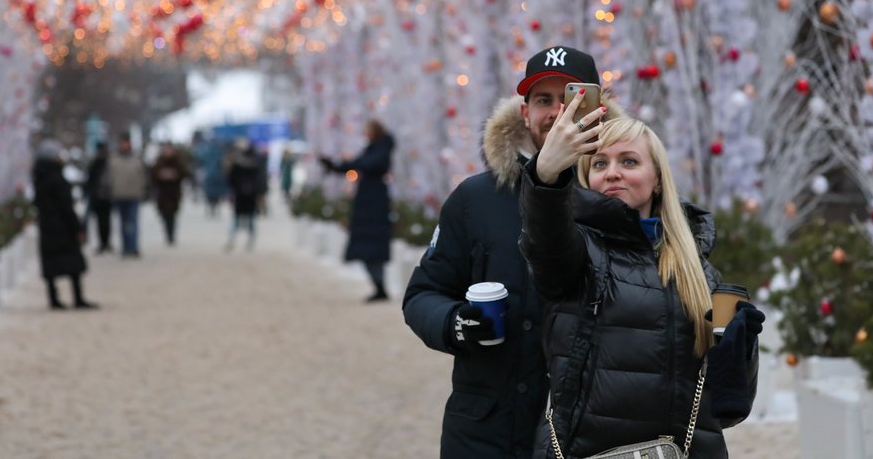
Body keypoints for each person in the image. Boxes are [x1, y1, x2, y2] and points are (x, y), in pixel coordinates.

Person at [403, 45, 615, 458]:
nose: (557, 112)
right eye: (543, 100)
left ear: (598, 107)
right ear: (524, 113)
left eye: (570, 98)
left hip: (588, 431)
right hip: (486, 429)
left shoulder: (616, 191)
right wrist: (456, 324)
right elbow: (423, 294)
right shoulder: (476, 198)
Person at [519, 107, 765, 458]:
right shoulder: (578, 250)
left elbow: (729, 409)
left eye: (629, 162)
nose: (613, 173)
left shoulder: (699, 272)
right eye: (599, 164)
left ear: (658, 178)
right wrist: (545, 177)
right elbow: (544, 240)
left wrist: (741, 350)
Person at [320, 119, 395, 302]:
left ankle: (380, 287)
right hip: (367, 203)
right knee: (367, 249)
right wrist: (335, 166)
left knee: (372, 249)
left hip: (374, 204)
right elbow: (357, 164)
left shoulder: (381, 149)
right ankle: (379, 286)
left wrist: (343, 165)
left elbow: (364, 163)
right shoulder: (373, 148)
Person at [31, 139, 98, 310]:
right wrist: (77, 227)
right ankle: (78, 297)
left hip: (47, 227)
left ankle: (54, 298)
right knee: (73, 263)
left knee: (51, 264)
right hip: (62, 227)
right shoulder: (56, 178)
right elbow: (66, 206)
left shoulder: (39, 178)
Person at [106, 131, 147, 258]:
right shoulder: (114, 158)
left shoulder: (136, 158)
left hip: (134, 195)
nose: (124, 145)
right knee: (123, 223)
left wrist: (144, 190)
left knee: (133, 222)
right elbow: (109, 177)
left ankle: (133, 247)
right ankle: (125, 248)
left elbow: (143, 176)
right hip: (119, 195)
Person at [225, 138, 264, 252]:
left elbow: (230, 179)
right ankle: (244, 241)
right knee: (245, 220)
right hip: (246, 195)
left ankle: (235, 240)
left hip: (244, 195)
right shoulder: (255, 162)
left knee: (242, 220)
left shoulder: (238, 163)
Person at [150, 142, 189, 246]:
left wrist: (175, 175)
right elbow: (153, 175)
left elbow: (184, 173)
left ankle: (171, 236)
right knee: (164, 215)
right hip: (162, 193)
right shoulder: (159, 162)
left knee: (172, 215)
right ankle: (167, 234)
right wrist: (161, 175)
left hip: (173, 193)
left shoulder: (178, 162)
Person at [83, 141, 113, 254]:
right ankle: (105, 242)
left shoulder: (96, 162)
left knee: (101, 221)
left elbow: (89, 180)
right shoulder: (107, 161)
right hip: (105, 196)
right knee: (106, 220)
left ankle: (103, 243)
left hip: (98, 196)